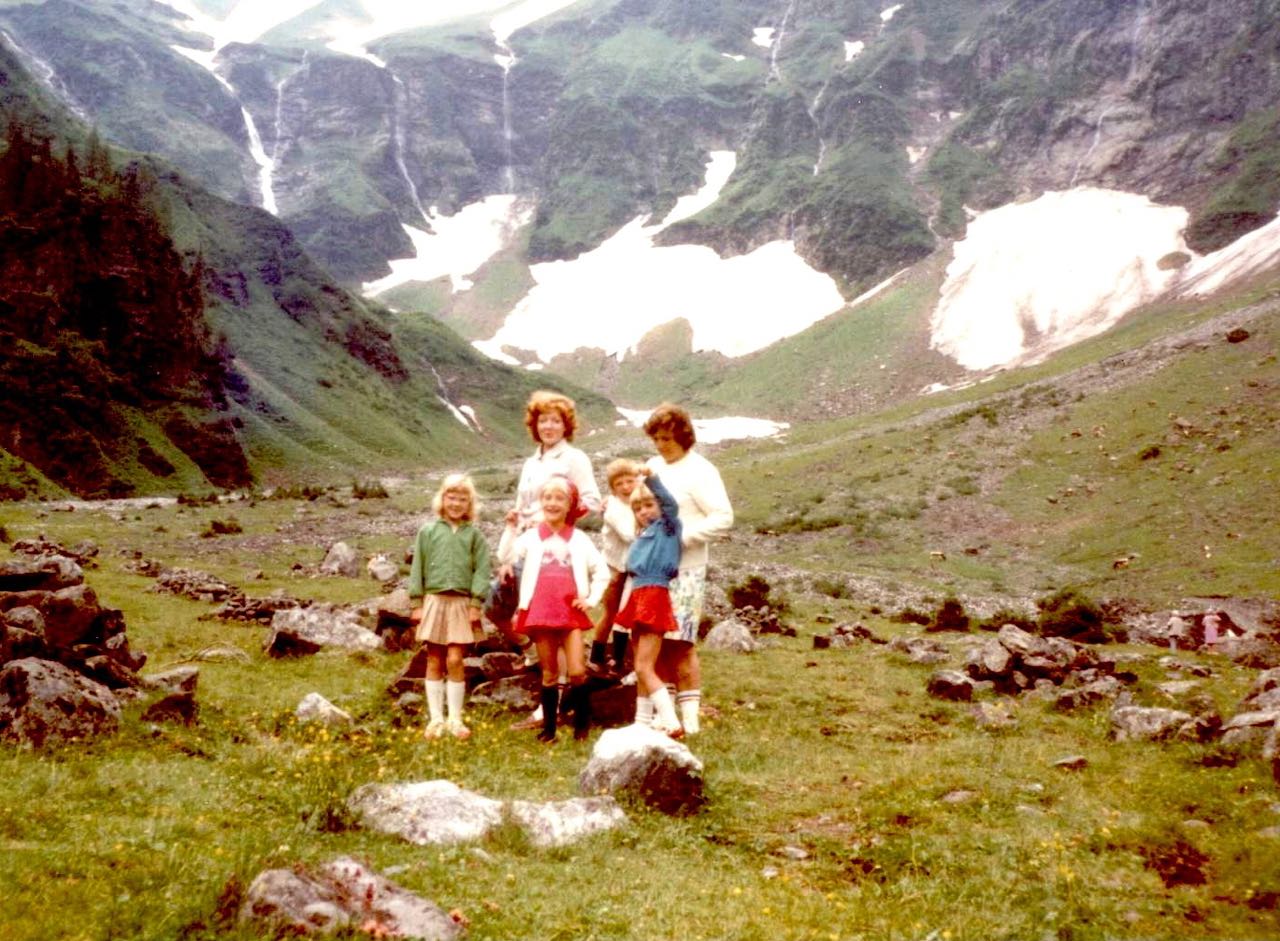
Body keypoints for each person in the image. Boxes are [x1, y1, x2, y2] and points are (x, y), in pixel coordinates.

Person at [644, 403, 733, 735]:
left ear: (683, 436)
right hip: (654, 569)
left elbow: (723, 518)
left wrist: (682, 539)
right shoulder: (652, 466)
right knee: (656, 642)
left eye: (666, 438)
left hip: (687, 569)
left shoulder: (701, 470)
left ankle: (691, 721)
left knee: (681, 642)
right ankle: (664, 718)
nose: (660, 445)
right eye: (655, 438)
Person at [508, 475, 609, 742]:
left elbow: (602, 572)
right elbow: (505, 556)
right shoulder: (531, 537)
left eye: (559, 498)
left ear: (569, 505)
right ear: (541, 502)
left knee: (577, 671)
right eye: (547, 498)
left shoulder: (579, 539)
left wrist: (590, 599)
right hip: (540, 611)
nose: (552, 503)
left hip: (569, 612)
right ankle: (549, 730)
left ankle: (582, 724)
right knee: (550, 672)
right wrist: (510, 529)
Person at [407, 473, 491, 740]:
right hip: (434, 601)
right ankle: (436, 720)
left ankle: (455, 718)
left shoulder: (474, 536)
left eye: (462, 499)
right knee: (433, 659)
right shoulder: (428, 532)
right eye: (451, 497)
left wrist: (476, 602)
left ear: (470, 504)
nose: (455, 504)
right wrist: (417, 602)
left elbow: (482, 570)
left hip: (461, 604)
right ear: (442, 500)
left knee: (455, 659)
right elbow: (417, 567)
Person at [613, 467, 683, 736]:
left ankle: (671, 721)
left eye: (648, 505)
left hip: (654, 593)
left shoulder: (667, 526)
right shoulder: (641, 536)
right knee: (642, 666)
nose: (644, 511)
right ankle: (641, 722)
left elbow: (670, 504)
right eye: (638, 508)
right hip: (639, 594)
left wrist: (651, 479)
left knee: (643, 666)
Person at [589, 458, 640, 676]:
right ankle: (596, 657)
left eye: (630, 481)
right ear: (613, 487)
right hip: (613, 566)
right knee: (610, 613)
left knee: (624, 613)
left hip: (631, 567)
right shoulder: (613, 508)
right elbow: (629, 534)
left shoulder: (639, 501)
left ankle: (618, 660)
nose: (626, 487)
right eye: (620, 483)